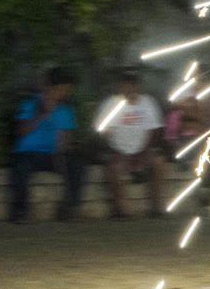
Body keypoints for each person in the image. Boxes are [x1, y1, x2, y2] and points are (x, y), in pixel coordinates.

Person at [9, 67, 83, 223]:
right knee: (21, 168)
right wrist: (41, 114)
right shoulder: (30, 103)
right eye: (64, 88)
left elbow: (66, 139)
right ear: (52, 88)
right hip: (28, 152)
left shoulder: (65, 109)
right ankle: (20, 211)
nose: (66, 92)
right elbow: (21, 131)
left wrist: (63, 146)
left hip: (52, 155)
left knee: (76, 165)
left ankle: (69, 208)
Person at [96, 68, 166, 219]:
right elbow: (104, 132)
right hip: (119, 150)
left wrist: (144, 152)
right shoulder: (111, 104)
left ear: (138, 86)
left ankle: (157, 208)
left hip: (143, 150)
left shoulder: (148, 103)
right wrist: (118, 151)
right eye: (127, 84)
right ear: (121, 86)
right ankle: (122, 210)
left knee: (159, 162)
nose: (130, 88)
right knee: (114, 167)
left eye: (133, 84)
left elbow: (154, 131)